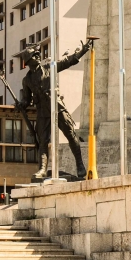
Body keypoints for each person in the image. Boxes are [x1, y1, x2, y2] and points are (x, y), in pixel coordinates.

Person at [16, 40, 91, 179]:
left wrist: (81, 52)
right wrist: (22, 104)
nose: (38, 56)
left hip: (57, 107)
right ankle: (43, 169)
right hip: (42, 111)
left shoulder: (50, 67)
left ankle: (80, 164)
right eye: (35, 55)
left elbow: (66, 62)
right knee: (43, 141)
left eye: (38, 54)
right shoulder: (26, 80)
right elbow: (27, 99)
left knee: (70, 134)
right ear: (28, 61)